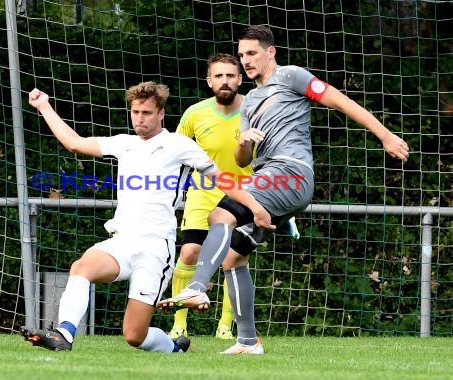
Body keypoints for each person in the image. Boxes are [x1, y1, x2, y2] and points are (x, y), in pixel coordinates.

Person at [158, 25, 410, 354]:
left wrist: (386, 136)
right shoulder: (248, 104)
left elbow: (342, 102)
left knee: (220, 212)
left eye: (252, 54)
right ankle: (248, 341)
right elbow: (242, 157)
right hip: (271, 178)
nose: (246, 61)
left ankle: (195, 286)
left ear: (270, 52)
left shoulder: (291, 76)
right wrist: (244, 144)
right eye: (242, 55)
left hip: (290, 173)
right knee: (233, 258)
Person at [20, 81, 271, 353]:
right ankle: (63, 334)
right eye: (135, 112)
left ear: (161, 114)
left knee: (134, 335)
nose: (139, 118)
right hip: (122, 241)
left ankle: (174, 348)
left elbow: (223, 180)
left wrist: (255, 207)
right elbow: (73, 143)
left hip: (155, 249)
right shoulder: (123, 143)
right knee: (82, 267)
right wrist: (43, 105)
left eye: (147, 113)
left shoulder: (178, 145)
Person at [170, 53, 300, 340]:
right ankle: (179, 323)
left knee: (233, 259)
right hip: (203, 194)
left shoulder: (258, 109)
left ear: (240, 79)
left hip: (245, 195)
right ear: (209, 81)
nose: (225, 81)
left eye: (230, 75)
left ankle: (225, 328)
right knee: (189, 252)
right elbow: (174, 152)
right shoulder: (194, 114)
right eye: (219, 76)